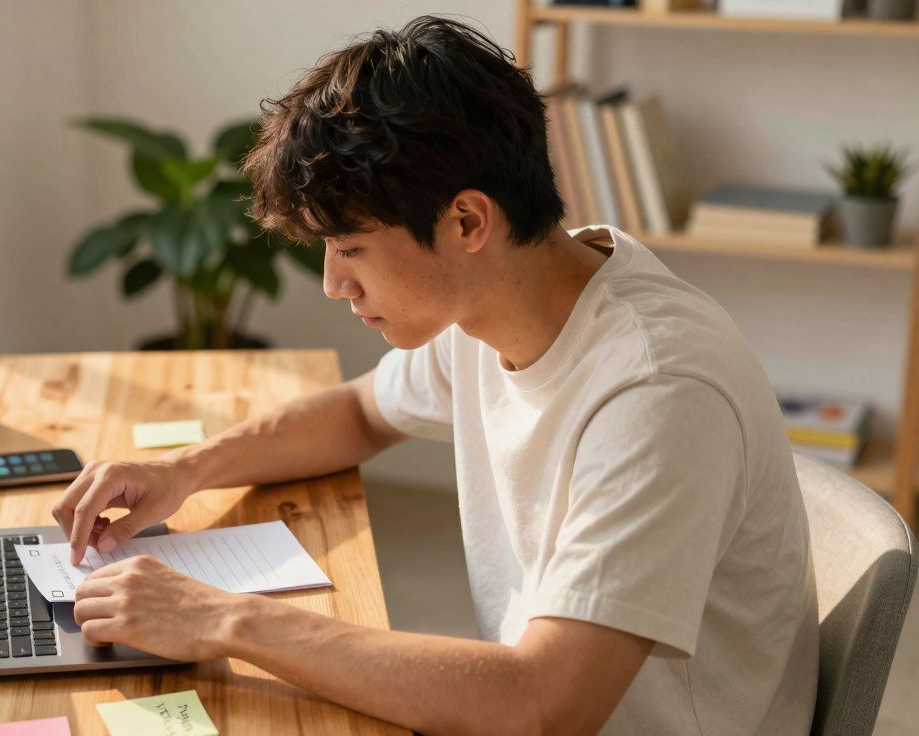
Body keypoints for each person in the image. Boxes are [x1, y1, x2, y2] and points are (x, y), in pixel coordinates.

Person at [52, 15, 817, 735]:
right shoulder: (509, 298)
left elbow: (546, 706)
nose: (332, 284)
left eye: (350, 248)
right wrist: (184, 471)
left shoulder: (657, 391)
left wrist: (225, 619)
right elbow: (360, 415)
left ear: (467, 222)